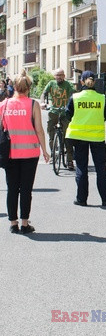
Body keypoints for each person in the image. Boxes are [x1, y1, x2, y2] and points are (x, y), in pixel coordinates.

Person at [0, 70, 50, 234]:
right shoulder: (33, 104)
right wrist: (45, 150)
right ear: (29, 88)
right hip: (29, 153)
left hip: (9, 154)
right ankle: (25, 223)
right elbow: (40, 130)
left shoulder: (4, 104)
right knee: (26, 189)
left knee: (12, 188)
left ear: (13, 87)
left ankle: (13, 224)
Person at [65, 71, 106, 207]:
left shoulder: (75, 97)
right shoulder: (102, 98)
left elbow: (68, 114)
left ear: (82, 82)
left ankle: (81, 199)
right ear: (94, 82)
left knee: (81, 168)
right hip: (97, 137)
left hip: (78, 137)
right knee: (101, 169)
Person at [40, 68, 75, 170]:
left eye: (60, 75)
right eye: (57, 75)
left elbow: (73, 94)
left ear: (64, 76)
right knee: (51, 134)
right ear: (54, 76)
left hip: (65, 113)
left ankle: (69, 160)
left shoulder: (68, 84)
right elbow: (44, 93)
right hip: (53, 111)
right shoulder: (51, 83)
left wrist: (71, 104)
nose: (58, 77)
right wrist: (42, 102)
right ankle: (53, 154)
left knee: (67, 136)